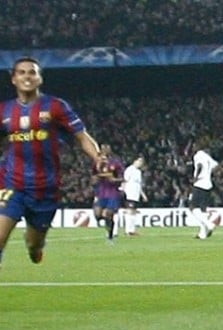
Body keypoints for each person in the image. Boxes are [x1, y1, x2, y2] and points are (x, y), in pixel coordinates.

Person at [0, 56, 101, 270]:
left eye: (32, 72)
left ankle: (36, 248)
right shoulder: (4, 111)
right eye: (22, 72)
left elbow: (82, 137)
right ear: (13, 79)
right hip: (11, 184)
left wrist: (98, 158)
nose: (27, 76)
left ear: (39, 78)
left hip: (45, 189)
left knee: (34, 244)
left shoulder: (55, 107)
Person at [92, 144, 124, 242]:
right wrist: (96, 179)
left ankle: (110, 236)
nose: (105, 151)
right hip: (101, 193)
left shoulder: (116, 163)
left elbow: (122, 178)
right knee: (97, 215)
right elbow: (93, 179)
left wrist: (113, 180)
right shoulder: (97, 163)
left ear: (110, 151)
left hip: (112, 193)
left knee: (108, 214)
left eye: (106, 149)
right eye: (103, 149)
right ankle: (108, 224)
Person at [190, 142, 219, 239]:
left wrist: (196, 177)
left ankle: (209, 224)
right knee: (202, 210)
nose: (193, 147)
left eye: (194, 146)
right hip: (208, 184)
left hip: (200, 184)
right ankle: (202, 234)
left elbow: (199, 166)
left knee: (192, 207)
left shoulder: (198, 156)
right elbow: (216, 165)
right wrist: (208, 173)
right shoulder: (207, 156)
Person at [121, 156, 147, 236]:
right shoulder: (129, 170)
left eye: (141, 162)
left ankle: (132, 230)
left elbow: (139, 185)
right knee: (129, 211)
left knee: (134, 212)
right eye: (139, 161)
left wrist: (143, 195)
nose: (140, 163)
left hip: (136, 194)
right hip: (130, 193)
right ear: (134, 161)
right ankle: (127, 230)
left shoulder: (138, 172)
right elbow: (124, 181)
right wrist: (123, 191)